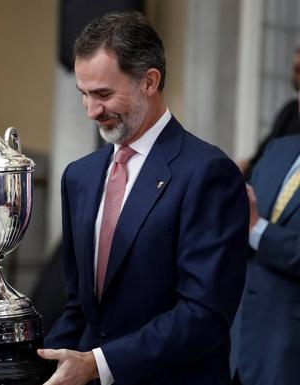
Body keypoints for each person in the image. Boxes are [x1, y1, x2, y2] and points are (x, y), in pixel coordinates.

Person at [38, 12, 248, 385]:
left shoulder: (208, 174)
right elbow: (79, 306)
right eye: (83, 94)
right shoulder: (79, 176)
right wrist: (42, 365)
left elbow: (204, 314)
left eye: (103, 94)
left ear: (150, 81)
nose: (91, 110)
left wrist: (98, 364)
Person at [232, 116, 300, 384]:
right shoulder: (278, 149)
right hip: (234, 338)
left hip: (287, 348)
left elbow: (253, 224)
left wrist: (257, 228)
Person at [239, 43, 300, 180]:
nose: (297, 62)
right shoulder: (290, 110)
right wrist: (244, 167)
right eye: (297, 52)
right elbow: (261, 158)